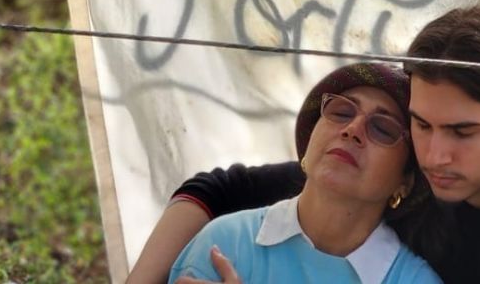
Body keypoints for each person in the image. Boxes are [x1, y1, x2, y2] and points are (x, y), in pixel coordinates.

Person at [127, 4, 480, 284]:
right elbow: (218, 190)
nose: (435, 155)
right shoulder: (415, 183)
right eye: (420, 125)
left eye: (463, 131)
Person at [161, 61, 440, 284]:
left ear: (406, 182)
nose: (352, 129)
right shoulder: (224, 243)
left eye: (383, 128)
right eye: (341, 111)